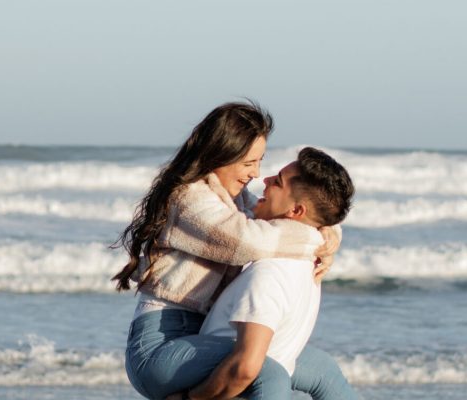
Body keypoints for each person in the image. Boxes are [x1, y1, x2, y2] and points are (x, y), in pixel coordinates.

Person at [113, 101, 350, 399]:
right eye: (249, 163)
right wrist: (317, 239)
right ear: (220, 155)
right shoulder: (189, 199)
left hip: (205, 338)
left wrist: (328, 229)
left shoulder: (235, 199)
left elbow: (291, 217)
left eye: (260, 161)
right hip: (162, 346)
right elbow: (248, 242)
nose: (256, 173)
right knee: (265, 370)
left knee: (322, 369)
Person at [173, 147, 357, 399]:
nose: (265, 180)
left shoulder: (270, 273)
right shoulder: (309, 262)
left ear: (296, 211)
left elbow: (246, 367)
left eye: (277, 182)